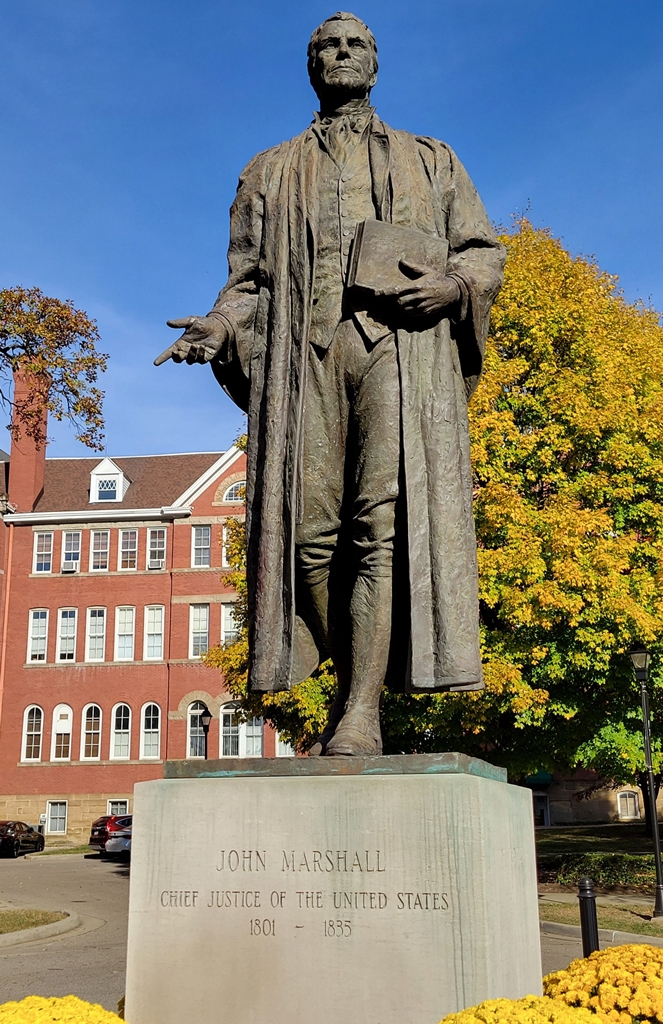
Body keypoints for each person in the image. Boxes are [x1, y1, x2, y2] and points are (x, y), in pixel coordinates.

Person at [156, 12, 505, 757]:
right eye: (326, 47)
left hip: (398, 355)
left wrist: (451, 286)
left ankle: (360, 713)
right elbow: (245, 282)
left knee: (379, 528)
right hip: (304, 357)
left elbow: (482, 252)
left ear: (374, 65)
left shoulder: (429, 159)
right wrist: (216, 329)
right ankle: (348, 677)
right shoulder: (268, 170)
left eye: (354, 45)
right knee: (308, 540)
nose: (340, 54)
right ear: (309, 66)